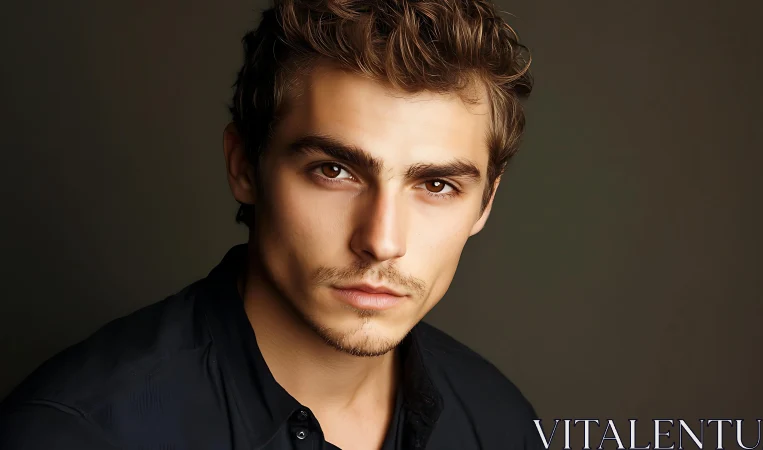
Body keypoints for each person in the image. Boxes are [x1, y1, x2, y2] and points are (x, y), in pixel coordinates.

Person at [0, 0, 538, 448]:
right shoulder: (73, 432)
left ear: (486, 202)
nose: (381, 241)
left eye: (436, 186)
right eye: (334, 171)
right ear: (244, 167)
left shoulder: (501, 421)